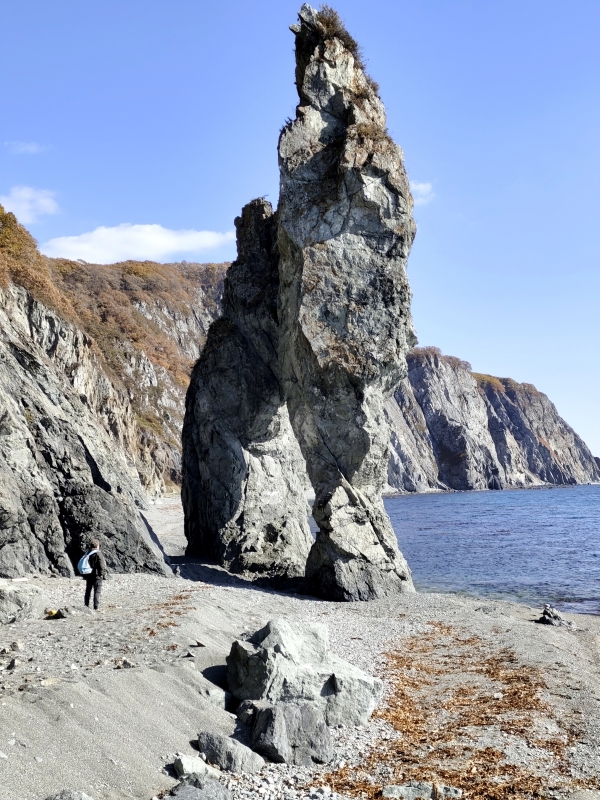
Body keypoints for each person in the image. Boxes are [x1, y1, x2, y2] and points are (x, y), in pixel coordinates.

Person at [83, 539, 108, 611]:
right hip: (97, 575)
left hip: (88, 575)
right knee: (97, 591)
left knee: (88, 590)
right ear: (97, 545)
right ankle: (95, 607)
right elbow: (101, 565)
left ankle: (86, 605)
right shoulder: (98, 553)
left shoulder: (87, 553)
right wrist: (102, 574)